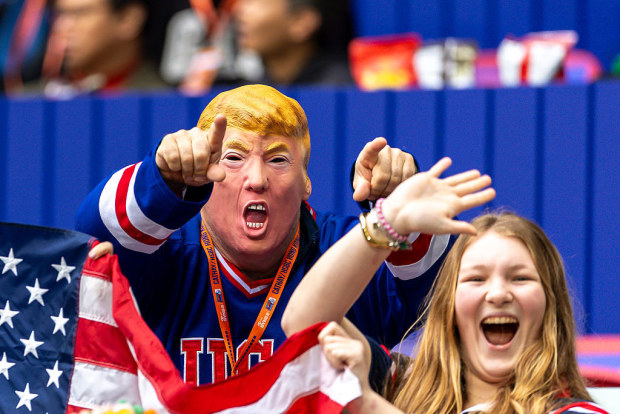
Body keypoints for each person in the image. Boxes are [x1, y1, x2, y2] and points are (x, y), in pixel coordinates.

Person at [76, 83, 453, 386]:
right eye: (233, 158)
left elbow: (439, 286)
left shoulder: (348, 251)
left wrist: (396, 209)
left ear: (306, 182)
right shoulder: (167, 254)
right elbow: (93, 233)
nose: (256, 180)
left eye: (277, 159)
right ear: (204, 173)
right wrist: (162, 180)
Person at [281, 167, 607, 413]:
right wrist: (386, 221)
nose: (497, 294)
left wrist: (371, 405)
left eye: (519, 278)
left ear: (551, 306)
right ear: (449, 307)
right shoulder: (402, 384)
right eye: (476, 279)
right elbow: (303, 320)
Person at [28, 0, 169, 98]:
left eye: (81, 14)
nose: (62, 27)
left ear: (128, 19)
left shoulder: (168, 103)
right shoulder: (27, 100)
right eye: (59, 14)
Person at [231, 0, 354, 86]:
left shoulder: (338, 89)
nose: (239, 12)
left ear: (302, 22)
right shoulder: (251, 92)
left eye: (259, 2)